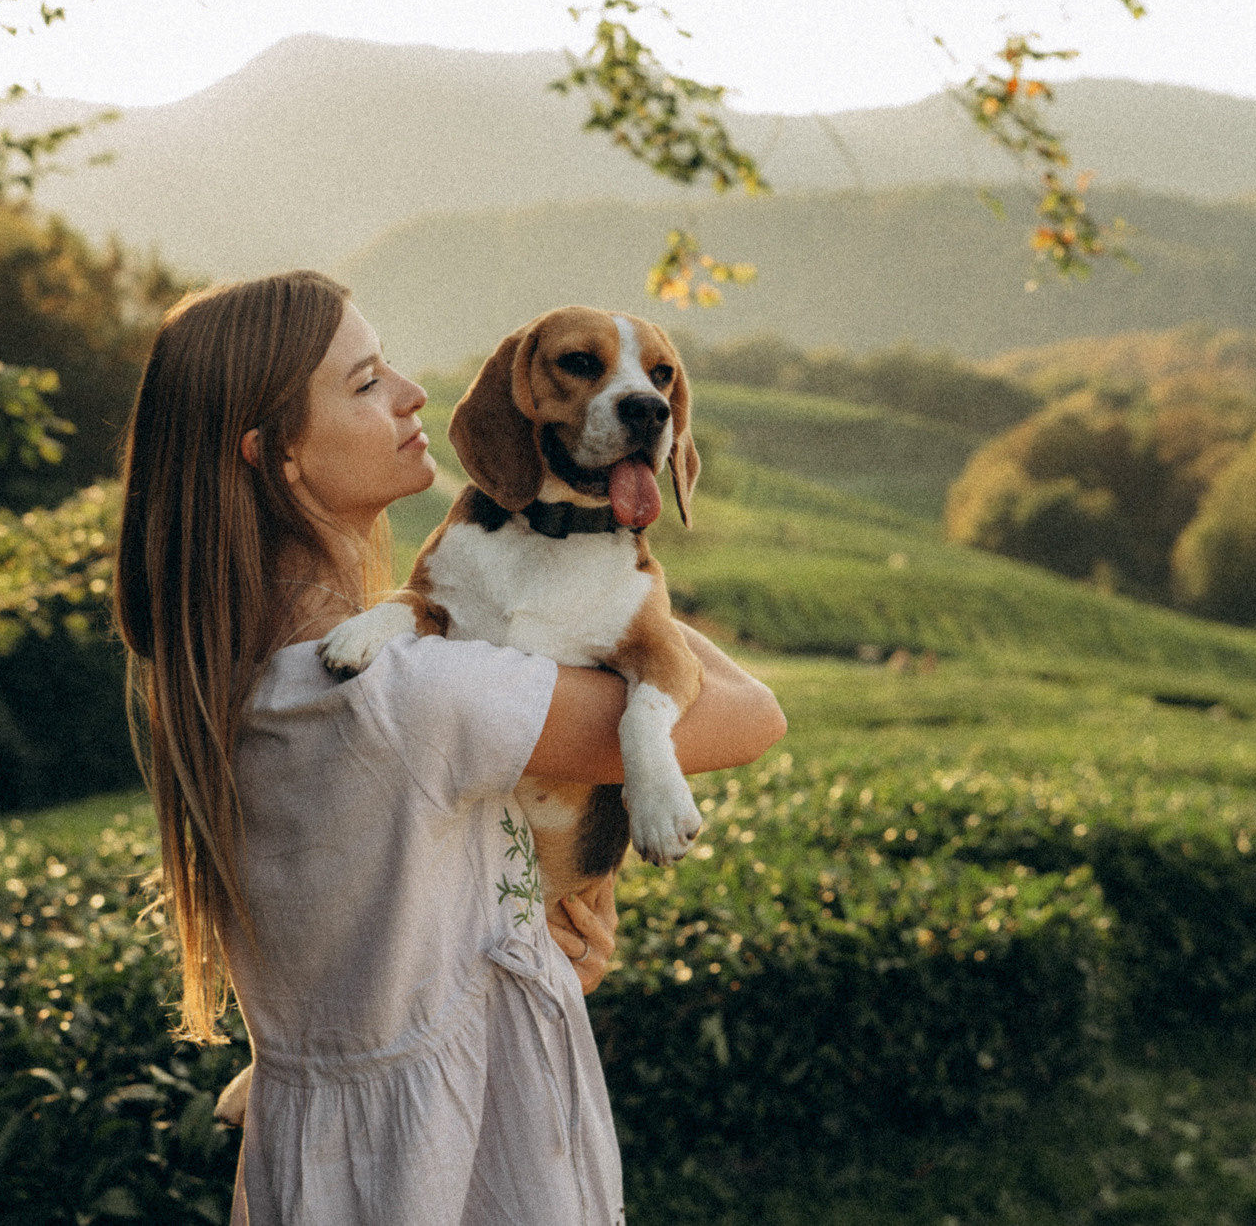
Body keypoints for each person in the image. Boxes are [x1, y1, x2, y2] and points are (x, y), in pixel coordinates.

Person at [112, 271, 786, 1225]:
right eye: (364, 382)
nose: (413, 393)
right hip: (464, 1160)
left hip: (320, 1155)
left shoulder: (255, 676)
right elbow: (752, 713)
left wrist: (531, 945)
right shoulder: (417, 695)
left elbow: (378, 926)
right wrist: (629, 599)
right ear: (276, 458)